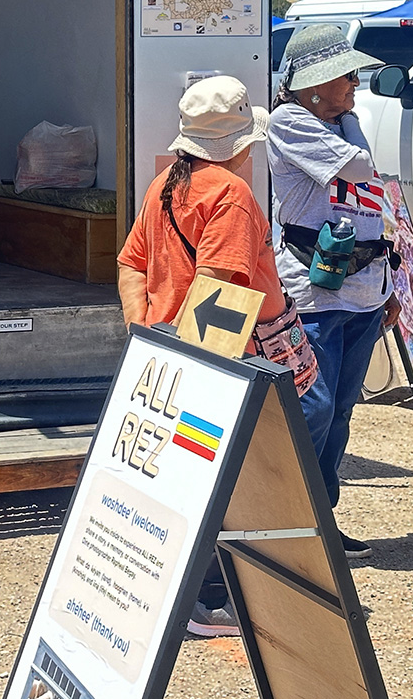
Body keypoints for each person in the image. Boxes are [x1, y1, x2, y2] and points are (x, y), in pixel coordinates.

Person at [118, 76, 318, 639]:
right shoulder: (230, 195)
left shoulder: (165, 182)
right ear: (241, 144)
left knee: (179, 475)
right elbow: (222, 288)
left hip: (165, 351)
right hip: (221, 357)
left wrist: (145, 330)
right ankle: (208, 597)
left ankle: (183, 594)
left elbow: (131, 262)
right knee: (225, 473)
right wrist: (210, 377)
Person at [268, 24, 399, 561]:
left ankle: (321, 520)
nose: (354, 86)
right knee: (313, 409)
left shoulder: (343, 120)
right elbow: (360, 169)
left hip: (364, 287)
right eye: (346, 76)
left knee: (341, 409)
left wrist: (392, 288)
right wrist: (348, 125)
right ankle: (289, 520)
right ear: (315, 84)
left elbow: (373, 204)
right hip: (314, 290)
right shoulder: (288, 121)